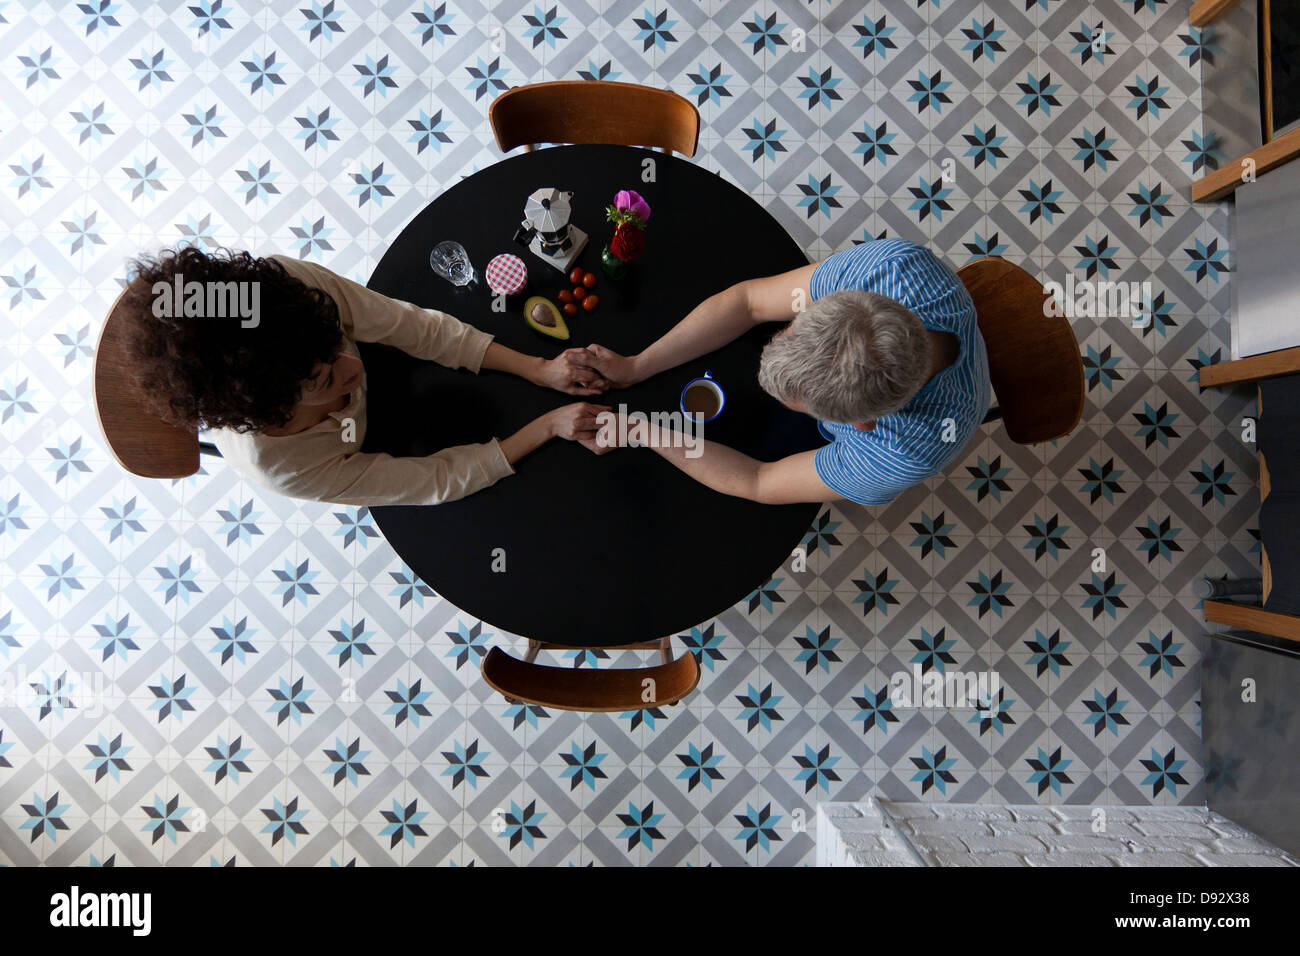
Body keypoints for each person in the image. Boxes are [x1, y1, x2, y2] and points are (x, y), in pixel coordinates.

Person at [123, 246, 611, 506]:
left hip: (409, 379)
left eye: (336, 343)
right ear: (279, 414)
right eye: (323, 379)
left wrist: (540, 369)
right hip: (389, 441)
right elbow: (432, 481)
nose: (354, 365)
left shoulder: (285, 289)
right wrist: (546, 426)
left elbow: (412, 327)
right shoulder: (283, 468)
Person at [582, 237, 993, 505]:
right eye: (788, 332)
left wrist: (639, 429)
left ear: (864, 424)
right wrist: (636, 366)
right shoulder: (889, 268)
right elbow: (749, 302)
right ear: (844, 301)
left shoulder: (899, 455)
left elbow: (759, 481)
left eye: (797, 403)